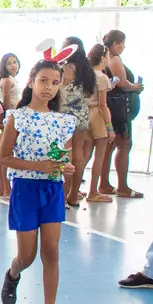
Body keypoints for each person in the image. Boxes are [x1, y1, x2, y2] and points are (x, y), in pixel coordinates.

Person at [0, 51, 77, 304]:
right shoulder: (17, 118)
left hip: (53, 190)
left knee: (52, 252)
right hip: (26, 189)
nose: (49, 87)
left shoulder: (63, 120)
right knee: (28, 255)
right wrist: (38, 166)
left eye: (55, 82)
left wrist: (65, 167)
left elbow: (63, 155)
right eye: (43, 80)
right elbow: (4, 157)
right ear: (31, 82)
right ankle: (13, 273)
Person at [100, 30, 144, 199]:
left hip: (114, 108)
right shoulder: (114, 58)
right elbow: (123, 83)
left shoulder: (106, 57)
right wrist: (136, 87)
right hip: (118, 110)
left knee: (110, 147)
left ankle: (104, 183)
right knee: (124, 144)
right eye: (122, 43)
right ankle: (122, 186)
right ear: (115, 44)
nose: (124, 47)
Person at [59, 37, 96, 208]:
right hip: (82, 114)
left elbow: (59, 89)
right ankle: (74, 195)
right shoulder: (87, 69)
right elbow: (88, 95)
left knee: (66, 153)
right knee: (79, 155)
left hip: (65, 116)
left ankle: (63, 194)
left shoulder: (65, 68)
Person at [82, 44, 115, 203]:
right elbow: (103, 105)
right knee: (99, 155)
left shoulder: (86, 75)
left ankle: (72, 189)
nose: (109, 59)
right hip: (98, 115)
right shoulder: (102, 77)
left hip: (85, 115)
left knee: (85, 154)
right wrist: (110, 127)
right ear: (102, 58)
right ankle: (93, 191)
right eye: (108, 56)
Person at [0, 53, 21, 199]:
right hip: (10, 117)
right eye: (9, 63)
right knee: (5, 155)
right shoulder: (6, 80)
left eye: (15, 62)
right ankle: (5, 188)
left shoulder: (13, 79)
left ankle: (5, 188)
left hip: (14, 116)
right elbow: (5, 104)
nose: (13, 65)